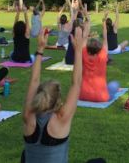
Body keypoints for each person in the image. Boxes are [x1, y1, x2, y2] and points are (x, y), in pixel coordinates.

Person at [21, 25, 84, 163]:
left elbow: (34, 80)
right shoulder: (62, 117)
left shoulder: (28, 115)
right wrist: (78, 51)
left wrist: (40, 49)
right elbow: (76, 83)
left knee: (24, 155)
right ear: (57, 100)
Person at [79, 9, 119, 102]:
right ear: (99, 48)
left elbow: (84, 36)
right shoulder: (103, 54)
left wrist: (88, 19)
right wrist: (104, 22)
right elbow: (105, 37)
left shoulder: (83, 53)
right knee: (114, 85)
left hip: (83, 95)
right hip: (100, 97)